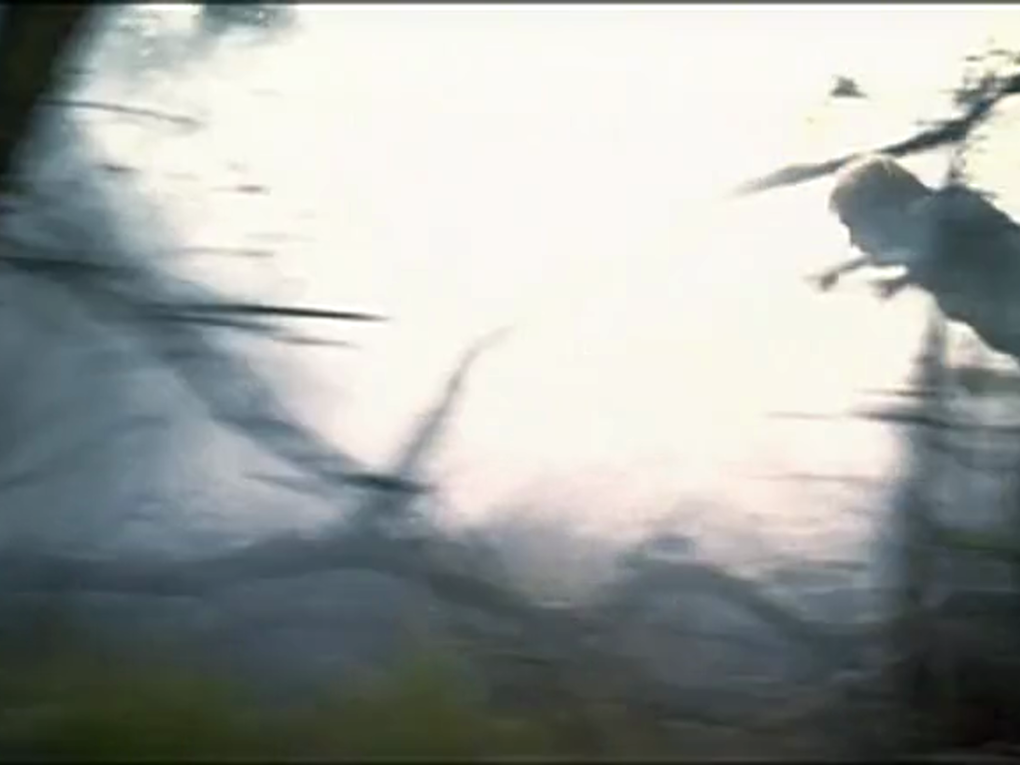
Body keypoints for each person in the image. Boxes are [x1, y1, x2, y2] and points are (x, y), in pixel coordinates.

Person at [811, 153, 1020, 361]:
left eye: (855, 225)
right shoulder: (939, 229)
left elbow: (927, 248)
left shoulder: (940, 210)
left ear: (883, 210)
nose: (855, 240)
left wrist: (845, 269)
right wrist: (899, 281)